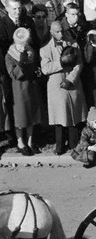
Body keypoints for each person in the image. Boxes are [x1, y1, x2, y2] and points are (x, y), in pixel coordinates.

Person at [40, 21, 87, 155]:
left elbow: (79, 64)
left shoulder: (73, 44)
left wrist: (71, 78)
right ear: (51, 32)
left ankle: (74, 143)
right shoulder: (45, 49)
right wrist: (61, 62)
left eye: (62, 31)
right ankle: (60, 145)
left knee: (74, 115)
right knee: (59, 117)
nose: (61, 34)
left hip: (72, 83)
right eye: (57, 31)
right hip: (56, 85)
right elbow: (45, 69)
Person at [5, 27, 42, 156]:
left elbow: (36, 66)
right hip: (18, 88)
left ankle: (31, 141)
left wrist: (37, 72)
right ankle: (21, 142)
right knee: (20, 117)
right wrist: (21, 60)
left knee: (32, 115)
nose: (24, 46)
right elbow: (13, 74)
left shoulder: (31, 51)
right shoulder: (10, 54)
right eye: (22, 43)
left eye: (26, 43)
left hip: (31, 86)